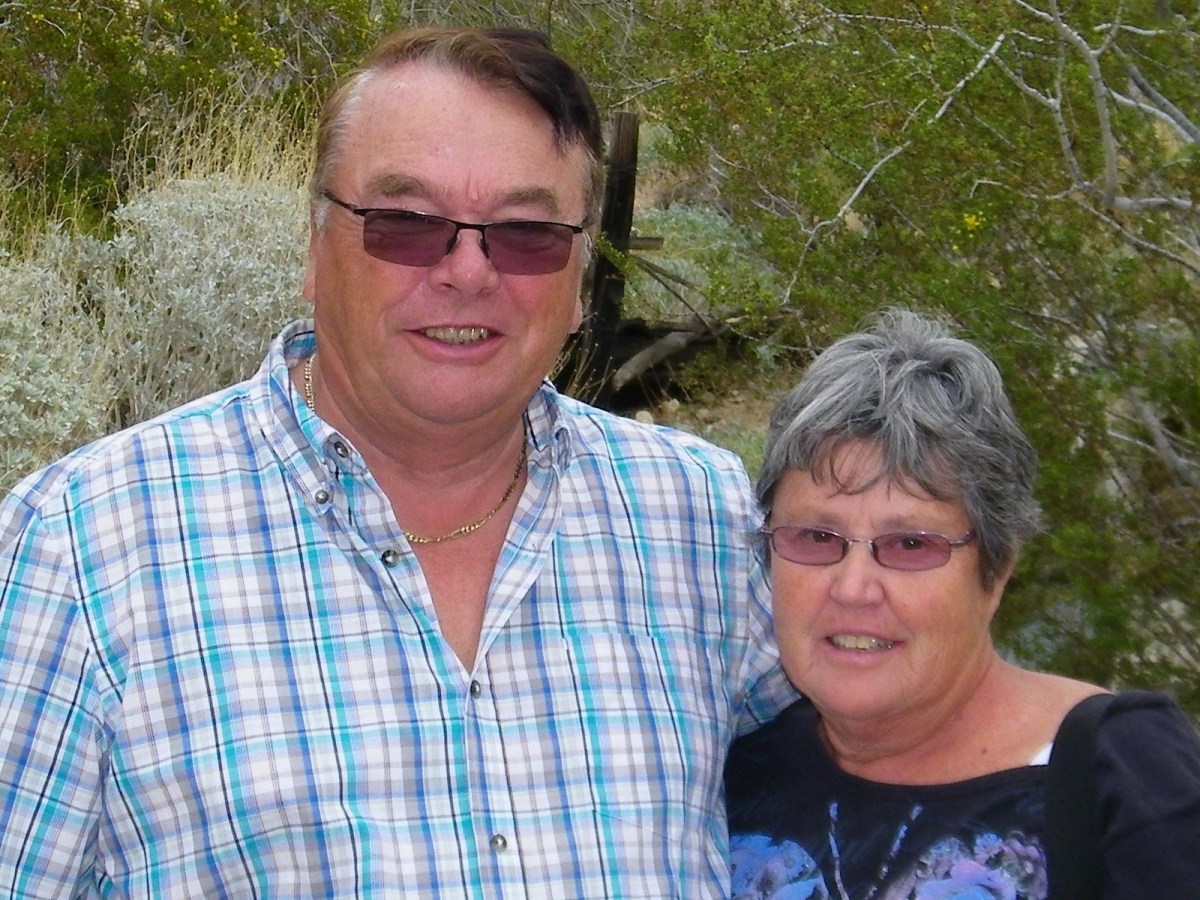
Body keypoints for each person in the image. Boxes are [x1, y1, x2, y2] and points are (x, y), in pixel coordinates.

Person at [0, 27, 794, 897]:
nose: (467, 271)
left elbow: (873, 791)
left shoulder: (701, 518)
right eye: (407, 224)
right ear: (315, 248)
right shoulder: (80, 551)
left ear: (577, 278)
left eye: (527, 233)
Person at [724, 308, 1200, 899]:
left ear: (997, 568)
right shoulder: (730, 773)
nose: (853, 587)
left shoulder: (1116, 773)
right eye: (816, 537)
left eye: (910, 544)